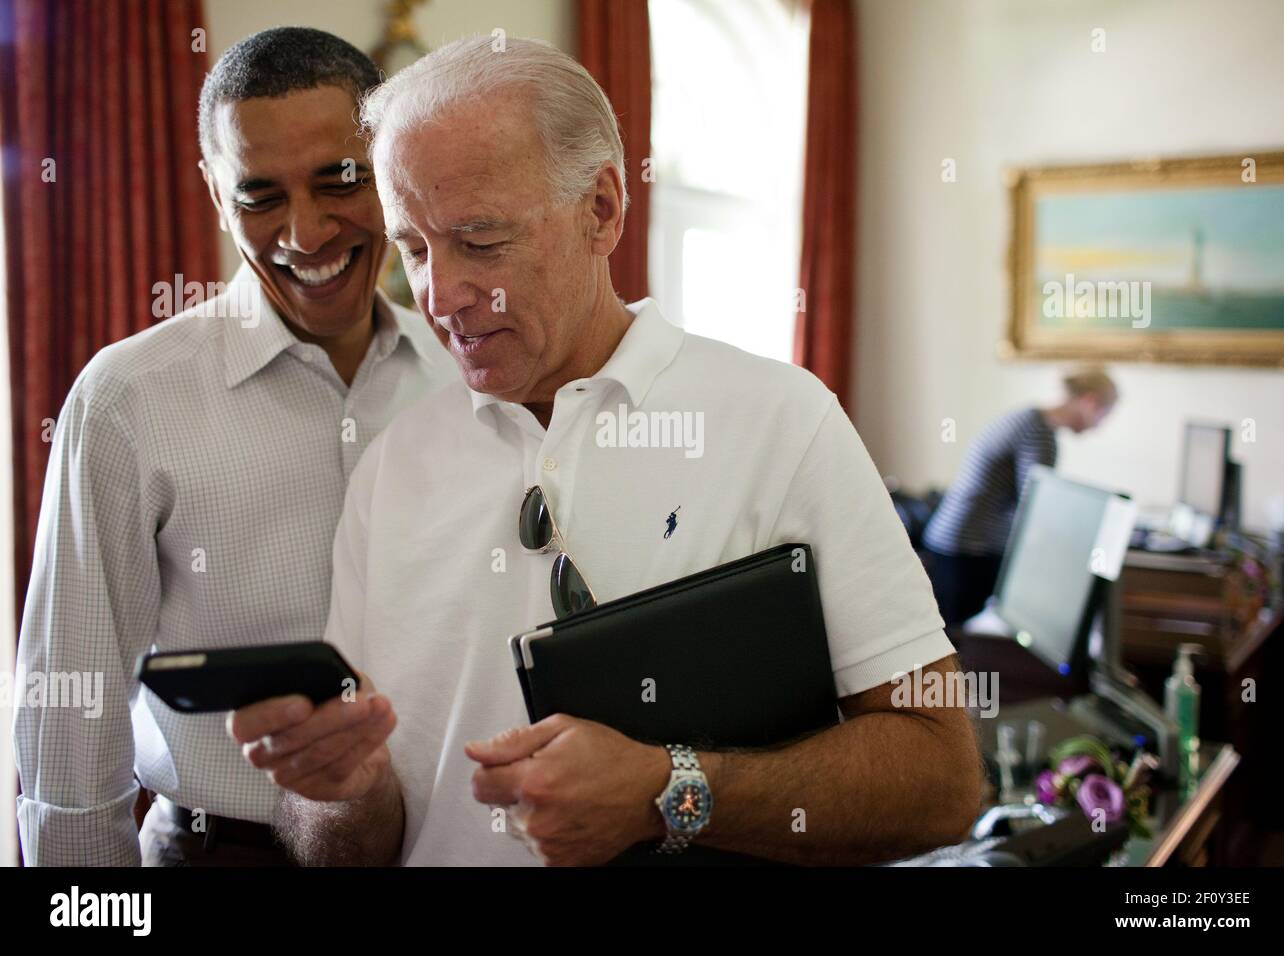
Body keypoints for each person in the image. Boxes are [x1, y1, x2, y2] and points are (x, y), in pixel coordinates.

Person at [229, 37, 983, 867]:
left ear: (602, 209)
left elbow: (943, 780)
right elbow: (348, 847)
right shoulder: (389, 470)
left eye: (480, 242)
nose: (440, 297)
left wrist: (671, 793)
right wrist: (339, 791)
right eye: (413, 248)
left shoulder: (781, 421)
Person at [13, 27, 457, 866]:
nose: (307, 232)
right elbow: (69, 716)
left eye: (341, 181)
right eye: (260, 196)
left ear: (392, 167)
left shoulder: (465, 383)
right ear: (215, 195)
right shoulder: (127, 400)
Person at [922, 367, 1119, 627]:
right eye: (1102, 415)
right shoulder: (1038, 433)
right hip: (967, 547)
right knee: (961, 639)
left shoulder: (1029, 419)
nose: (1098, 426)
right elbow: (1037, 507)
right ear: (1089, 401)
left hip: (954, 540)